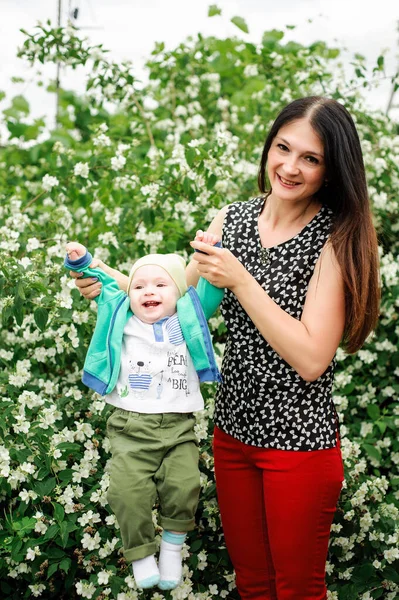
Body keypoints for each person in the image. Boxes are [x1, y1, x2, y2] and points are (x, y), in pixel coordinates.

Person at [71, 96, 380, 600]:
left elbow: (311, 358)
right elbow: (174, 306)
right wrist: (108, 286)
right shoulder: (232, 219)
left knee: (297, 588)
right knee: (254, 585)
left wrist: (241, 280)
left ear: (332, 169)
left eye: (311, 158)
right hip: (233, 435)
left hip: (299, 444)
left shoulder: (335, 237)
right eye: (283, 148)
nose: (290, 166)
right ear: (268, 146)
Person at [64, 242, 223, 591]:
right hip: (131, 427)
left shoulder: (188, 317)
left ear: (179, 292)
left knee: (185, 486)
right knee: (125, 492)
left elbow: (211, 287)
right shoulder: (122, 314)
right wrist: (81, 261)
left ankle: (171, 547)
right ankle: (139, 553)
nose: (148, 291)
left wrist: (214, 253)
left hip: (178, 426)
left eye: (160, 284)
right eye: (139, 285)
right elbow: (102, 283)